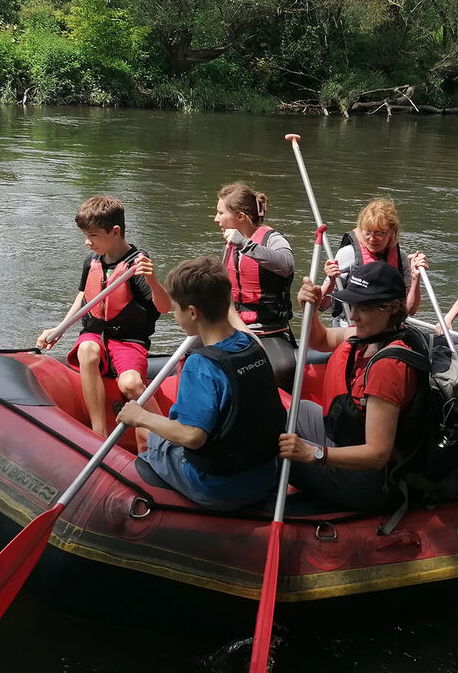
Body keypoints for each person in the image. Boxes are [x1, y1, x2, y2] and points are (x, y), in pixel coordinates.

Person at [116, 257, 284, 510]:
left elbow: (192, 436)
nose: (174, 316)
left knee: (148, 435)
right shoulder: (252, 346)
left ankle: (148, 498)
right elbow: (235, 321)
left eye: (175, 309)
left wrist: (140, 416)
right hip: (262, 478)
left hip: (217, 488)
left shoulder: (201, 365)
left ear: (193, 312)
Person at [278, 262, 425, 513]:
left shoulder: (389, 366)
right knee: (297, 409)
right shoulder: (369, 334)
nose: (353, 314)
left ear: (391, 308)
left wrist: (314, 453)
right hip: (349, 440)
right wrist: (310, 311)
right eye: (353, 304)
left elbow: (377, 453)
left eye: (363, 307)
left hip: (371, 481)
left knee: (276, 457)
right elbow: (320, 339)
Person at [38, 194, 171, 437]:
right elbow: (84, 297)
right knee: (86, 348)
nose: (87, 242)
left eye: (93, 236)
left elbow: (164, 307)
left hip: (128, 340)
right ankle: (98, 432)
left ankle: (165, 433)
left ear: (115, 231)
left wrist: (152, 279)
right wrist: (59, 329)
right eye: (85, 236)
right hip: (95, 334)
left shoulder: (137, 265)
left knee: (130, 384)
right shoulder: (92, 262)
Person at [214, 182, 297, 388]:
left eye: (220, 213)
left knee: (282, 366)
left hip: (268, 330)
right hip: (233, 325)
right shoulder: (228, 245)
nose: (216, 219)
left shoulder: (272, 239)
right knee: (194, 358)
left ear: (240, 217)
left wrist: (245, 244)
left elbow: (286, 264)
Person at [320, 198, 425, 326]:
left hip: (387, 330)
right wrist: (331, 282)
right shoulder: (348, 254)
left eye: (379, 233)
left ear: (392, 232)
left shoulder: (401, 258)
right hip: (350, 327)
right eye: (367, 232)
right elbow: (321, 306)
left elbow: (410, 310)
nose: (371, 239)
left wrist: (415, 277)